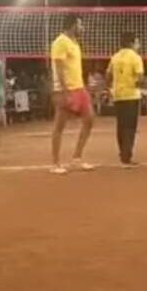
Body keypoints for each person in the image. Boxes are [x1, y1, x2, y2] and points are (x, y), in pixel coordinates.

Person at [49, 15, 94, 174]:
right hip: (65, 89)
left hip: (79, 88)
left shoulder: (74, 42)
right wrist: (64, 91)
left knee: (89, 120)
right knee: (59, 126)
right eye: (80, 25)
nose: (82, 28)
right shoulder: (60, 42)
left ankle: (76, 158)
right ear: (73, 25)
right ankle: (55, 163)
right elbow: (59, 68)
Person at [107, 32, 145, 167]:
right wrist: (141, 84)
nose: (138, 45)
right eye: (137, 42)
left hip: (118, 95)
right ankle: (126, 156)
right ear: (131, 43)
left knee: (121, 126)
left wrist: (110, 88)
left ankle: (122, 153)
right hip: (131, 96)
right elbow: (140, 78)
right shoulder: (136, 57)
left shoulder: (115, 57)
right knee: (130, 127)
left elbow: (108, 75)